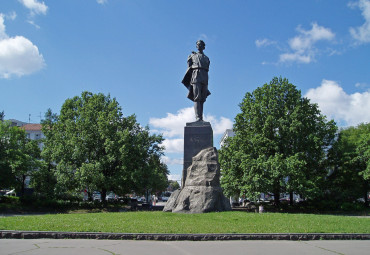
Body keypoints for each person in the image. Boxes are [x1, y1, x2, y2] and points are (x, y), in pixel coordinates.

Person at [182, 40, 211, 121]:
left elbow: (207, 67)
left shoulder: (207, 58)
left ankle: (201, 118)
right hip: (196, 75)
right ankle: (197, 117)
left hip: (204, 76)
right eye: (198, 44)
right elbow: (189, 67)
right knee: (197, 97)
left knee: (202, 98)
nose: (199, 46)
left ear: (204, 47)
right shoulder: (192, 56)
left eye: (201, 44)